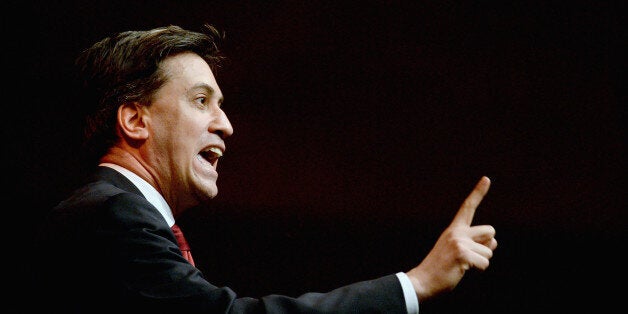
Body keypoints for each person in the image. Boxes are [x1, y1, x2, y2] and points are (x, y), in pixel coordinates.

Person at [40, 24, 497, 313]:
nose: (226, 125)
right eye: (202, 101)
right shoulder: (113, 215)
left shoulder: (110, 211)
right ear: (135, 120)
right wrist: (416, 284)